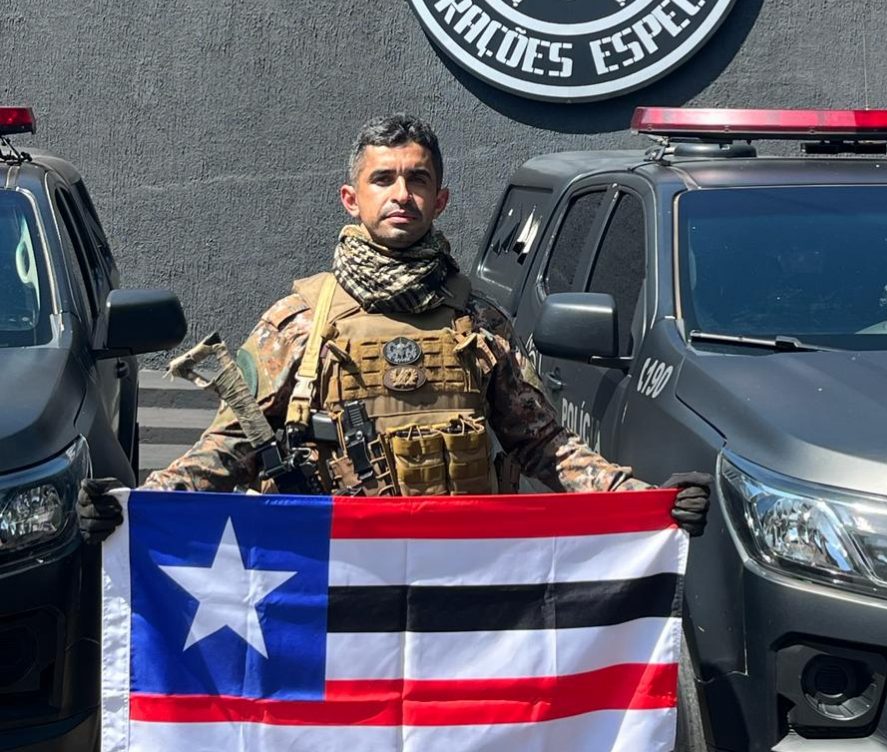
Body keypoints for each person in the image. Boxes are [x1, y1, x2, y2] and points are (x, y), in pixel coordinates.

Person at [78, 115, 709, 540]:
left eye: (417, 179)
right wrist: (133, 505)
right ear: (352, 199)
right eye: (383, 178)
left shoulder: (479, 322)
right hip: (331, 566)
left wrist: (647, 501)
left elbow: (544, 446)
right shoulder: (298, 322)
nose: (400, 193)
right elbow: (229, 449)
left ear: (440, 201)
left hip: (458, 569)